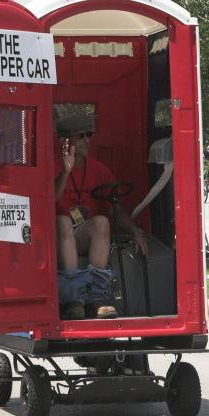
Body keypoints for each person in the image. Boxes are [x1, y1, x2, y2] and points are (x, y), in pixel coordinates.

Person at [55, 115, 147, 320]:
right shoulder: (52, 165)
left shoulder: (97, 168)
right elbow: (51, 198)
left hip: (78, 235)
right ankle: (74, 299)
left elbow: (114, 208)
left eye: (89, 135)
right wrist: (65, 171)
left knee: (101, 222)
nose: (88, 140)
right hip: (54, 238)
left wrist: (134, 231)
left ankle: (96, 299)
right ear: (65, 141)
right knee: (62, 221)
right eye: (81, 136)